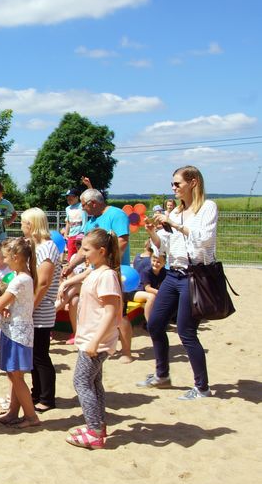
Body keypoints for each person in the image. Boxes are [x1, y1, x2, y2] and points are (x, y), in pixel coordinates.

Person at [139, 166, 219, 400]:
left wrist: (173, 224)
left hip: (195, 275)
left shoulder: (207, 207)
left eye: (177, 183)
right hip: (173, 274)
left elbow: (204, 239)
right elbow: (163, 246)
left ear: (193, 182)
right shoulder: (175, 212)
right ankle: (162, 376)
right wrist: (153, 233)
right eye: (172, 184)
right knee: (155, 324)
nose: (173, 188)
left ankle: (202, 387)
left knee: (186, 331)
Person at [67, 228, 123, 450]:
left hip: (96, 340)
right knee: (93, 381)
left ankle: (94, 432)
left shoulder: (107, 276)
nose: (82, 254)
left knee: (81, 382)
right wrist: (65, 283)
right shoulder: (95, 271)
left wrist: (95, 341)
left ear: (101, 251)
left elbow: (110, 312)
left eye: (86, 250)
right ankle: (99, 425)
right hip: (90, 336)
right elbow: (85, 276)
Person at [66, 189, 133, 363]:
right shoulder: (91, 220)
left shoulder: (116, 215)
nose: (82, 208)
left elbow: (122, 241)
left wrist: (107, 265)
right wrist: (71, 265)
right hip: (95, 272)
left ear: (93, 203)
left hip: (114, 271)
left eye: (84, 205)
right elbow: (85, 248)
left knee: (120, 312)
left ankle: (126, 351)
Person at [0, 238, 40, 429]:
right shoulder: (23, 277)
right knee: (14, 375)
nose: (4, 260)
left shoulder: (20, 280)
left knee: (16, 377)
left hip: (17, 333)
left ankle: (31, 416)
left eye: (6, 257)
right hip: (16, 332)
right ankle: (12, 412)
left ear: (16, 257)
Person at [21, 208, 62, 412]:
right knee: (34, 356)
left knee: (40, 355)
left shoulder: (47, 247)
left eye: (23, 223)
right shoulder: (37, 246)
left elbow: (44, 282)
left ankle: (46, 398)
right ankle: (37, 393)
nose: (21, 227)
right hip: (36, 307)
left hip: (42, 309)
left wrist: (31, 306)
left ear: (31, 225)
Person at [134, 251, 167, 325]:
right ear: (150, 260)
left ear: (164, 263)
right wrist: (162, 293)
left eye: (158, 262)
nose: (155, 264)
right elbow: (147, 288)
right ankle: (149, 323)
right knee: (151, 297)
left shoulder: (164, 272)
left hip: (150, 293)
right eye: (153, 261)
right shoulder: (146, 271)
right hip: (137, 292)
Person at [62, 188, 84, 260]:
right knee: (71, 254)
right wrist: (66, 233)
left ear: (77, 197)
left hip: (80, 233)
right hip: (71, 234)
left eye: (71, 198)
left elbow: (84, 220)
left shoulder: (82, 206)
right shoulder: (68, 208)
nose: (68, 200)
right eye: (67, 198)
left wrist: (83, 232)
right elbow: (68, 222)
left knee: (81, 253)